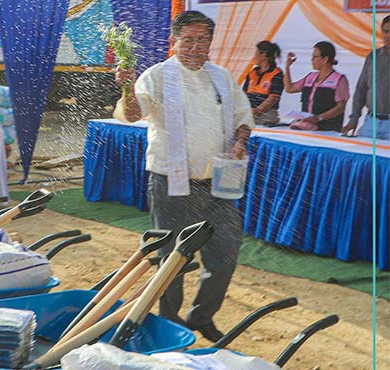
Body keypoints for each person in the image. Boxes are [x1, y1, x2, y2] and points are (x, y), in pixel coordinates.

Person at [113, 10, 254, 342]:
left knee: (225, 252)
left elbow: (242, 116)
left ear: (210, 42)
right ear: (173, 41)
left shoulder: (221, 77)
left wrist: (240, 141)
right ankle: (170, 321)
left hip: (219, 183)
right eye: (187, 39)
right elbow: (133, 115)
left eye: (202, 39)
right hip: (171, 183)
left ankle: (202, 315)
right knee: (171, 259)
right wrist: (126, 87)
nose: (194, 47)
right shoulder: (157, 75)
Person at [283, 41, 349, 131]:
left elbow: (341, 107)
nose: (312, 60)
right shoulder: (310, 76)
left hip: (327, 130)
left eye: (315, 57)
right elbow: (289, 88)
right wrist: (287, 68)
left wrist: (319, 118)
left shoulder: (339, 79)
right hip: (306, 128)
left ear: (325, 59)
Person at [343, 15, 390, 139]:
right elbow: (361, 89)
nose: (388, 35)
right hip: (371, 122)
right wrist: (354, 119)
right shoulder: (373, 57)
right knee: (366, 156)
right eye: (385, 31)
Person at [242, 41, 284, 126]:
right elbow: (243, 95)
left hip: (266, 114)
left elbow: (273, 98)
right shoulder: (252, 73)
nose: (254, 57)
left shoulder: (276, 74)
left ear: (263, 55)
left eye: (256, 54)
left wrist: (257, 111)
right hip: (250, 112)